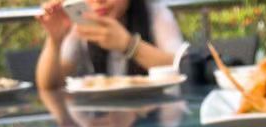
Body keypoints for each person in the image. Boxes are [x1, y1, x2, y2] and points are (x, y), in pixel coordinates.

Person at [35, 0, 184, 90]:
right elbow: (49, 85)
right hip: (101, 118)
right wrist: (54, 41)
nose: (99, 1)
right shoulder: (80, 23)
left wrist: (129, 45)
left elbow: (183, 67)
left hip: (152, 117)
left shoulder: (156, 14)